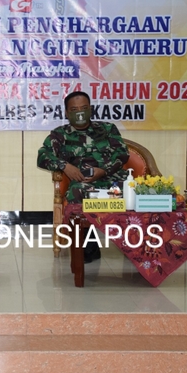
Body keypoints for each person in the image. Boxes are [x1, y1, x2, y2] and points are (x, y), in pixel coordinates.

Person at [37, 91, 130, 263]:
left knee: (135, 193)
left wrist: (103, 170)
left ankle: (135, 245)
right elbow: (43, 157)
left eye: (84, 108)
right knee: (76, 192)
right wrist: (65, 166)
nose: (80, 112)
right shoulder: (60, 134)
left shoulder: (108, 129)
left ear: (90, 109)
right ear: (66, 113)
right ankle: (88, 247)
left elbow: (122, 154)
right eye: (74, 109)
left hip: (113, 180)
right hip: (84, 183)